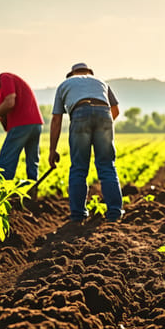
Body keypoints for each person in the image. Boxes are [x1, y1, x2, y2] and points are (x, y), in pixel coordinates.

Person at [48, 62, 124, 222]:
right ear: (90, 72)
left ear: (71, 74)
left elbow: (56, 119)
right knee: (107, 166)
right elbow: (115, 110)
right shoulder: (101, 82)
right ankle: (114, 213)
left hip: (80, 113)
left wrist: (52, 150)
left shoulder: (65, 84)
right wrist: (103, 127)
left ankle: (78, 214)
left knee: (79, 167)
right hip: (104, 113)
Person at [0, 69, 44, 180]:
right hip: (35, 124)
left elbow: (9, 103)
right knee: (32, 162)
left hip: (22, 124)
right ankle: (31, 194)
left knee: (6, 162)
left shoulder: (5, 78)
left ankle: (0, 192)